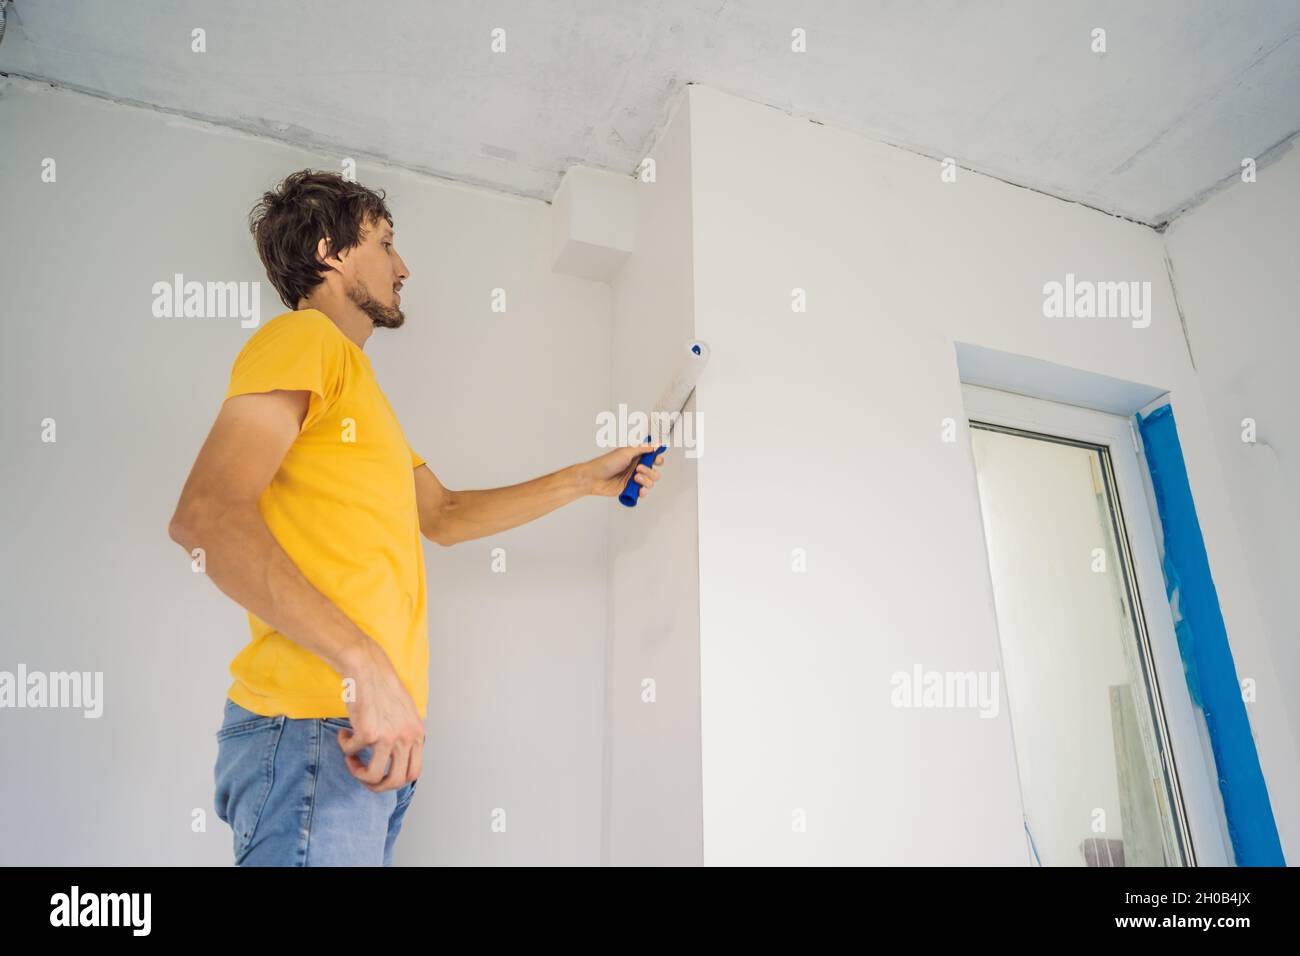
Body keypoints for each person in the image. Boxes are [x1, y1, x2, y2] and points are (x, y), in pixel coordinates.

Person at [167, 169, 664, 865]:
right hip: (317, 729)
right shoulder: (303, 340)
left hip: (369, 738)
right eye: (386, 243)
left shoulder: (362, 392)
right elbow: (205, 518)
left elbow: (446, 514)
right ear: (331, 252)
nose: (403, 268)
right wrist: (366, 667)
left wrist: (585, 480)